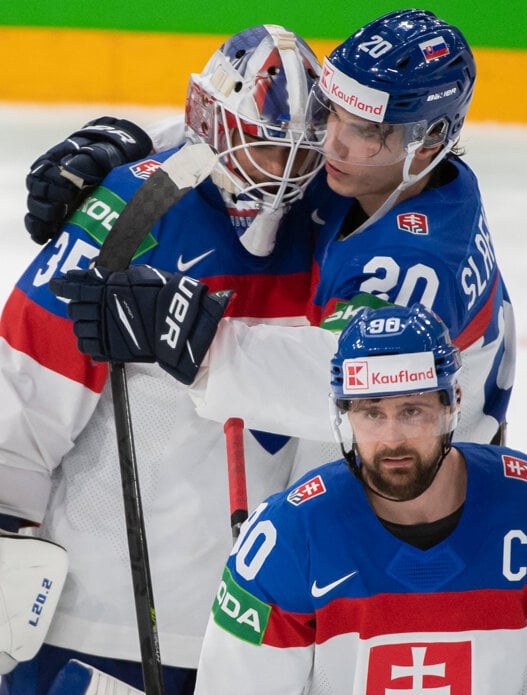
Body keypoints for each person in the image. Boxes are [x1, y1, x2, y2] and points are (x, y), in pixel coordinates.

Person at [0, 24, 328, 693]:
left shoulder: (334, 223)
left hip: (256, 633)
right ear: (216, 119)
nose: (289, 172)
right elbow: (23, 391)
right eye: (269, 146)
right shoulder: (134, 207)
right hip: (94, 623)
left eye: (303, 153)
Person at [46, 10, 515, 448]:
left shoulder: (419, 260)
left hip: (416, 491)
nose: (332, 145)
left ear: (431, 138)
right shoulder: (394, 178)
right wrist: (136, 142)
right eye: (330, 112)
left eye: (368, 131)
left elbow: (354, 387)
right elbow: (258, 126)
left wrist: (192, 337)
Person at [190, 302, 527, 694]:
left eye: (412, 411)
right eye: (372, 413)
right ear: (344, 415)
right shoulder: (286, 539)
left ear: (453, 403)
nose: (392, 438)